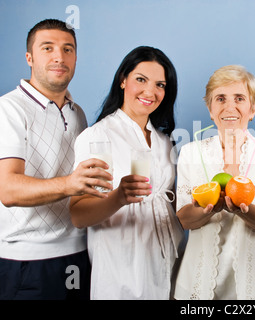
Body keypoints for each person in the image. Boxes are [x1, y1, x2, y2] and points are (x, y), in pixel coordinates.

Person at [0, 19, 112, 300]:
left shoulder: (78, 113)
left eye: (68, 49)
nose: (59, 57)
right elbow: (8, 190)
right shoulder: (9, 109)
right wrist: (70, 184)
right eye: (47, 48)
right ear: (30, 57)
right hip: (27, 260)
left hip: (79, 253)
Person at [69, 46, 184, 299]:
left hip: (168, 264)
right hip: (120, 270)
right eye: (141, 80)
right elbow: (78, 214)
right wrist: (118, 197)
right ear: (123, 80)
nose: (150, 92)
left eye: (160, 85)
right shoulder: (98, 137)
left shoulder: (165, 141)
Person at [174, 65, 255, 300]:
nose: (229, 107)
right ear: (210, 108)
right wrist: (210, 208)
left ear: (253, 108)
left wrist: (241, 209)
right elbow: (185, 219)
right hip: (197, 286)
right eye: (220, 99)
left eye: (239, 98)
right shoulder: (190, 153)